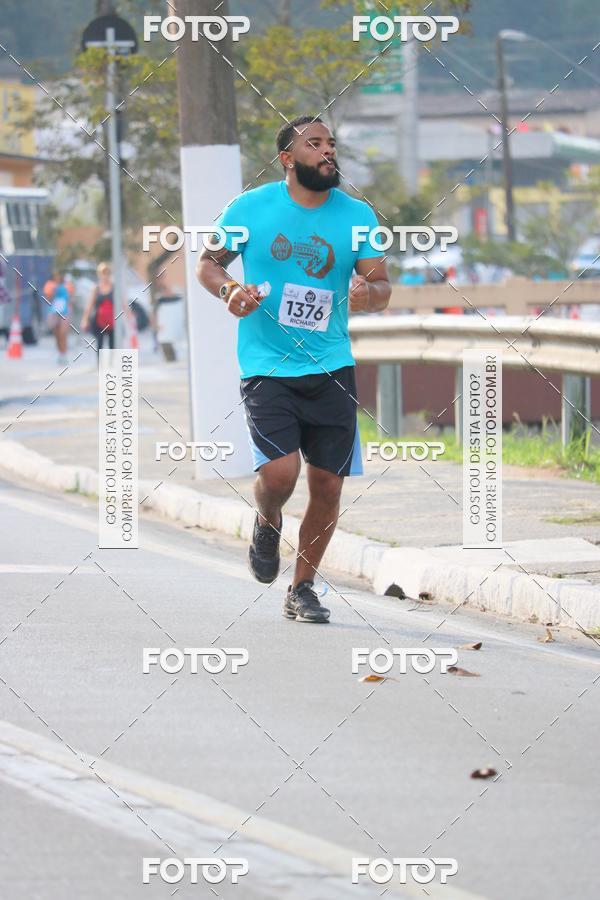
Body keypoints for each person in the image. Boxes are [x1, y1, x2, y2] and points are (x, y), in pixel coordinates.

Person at [197, 115, 391, 624]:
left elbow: (382, 287)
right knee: (280, 474)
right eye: (314, 144)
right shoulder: (250, 208)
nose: (328, 151)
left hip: (331, 365)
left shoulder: (357, 216)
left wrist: (368, 294)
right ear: (287, 158)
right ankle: (267, 518)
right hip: (266, 363)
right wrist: (229, 290)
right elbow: (207, 264)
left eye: (331, 143)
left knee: (327, 485)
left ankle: (303, 588)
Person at [81, 263, 115, 353]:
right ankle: (101, 365)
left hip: (112, 322)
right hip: (100, 322)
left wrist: (130, 318)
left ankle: (112, 365)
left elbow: (122, 303)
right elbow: (90, 305)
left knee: (113, 347)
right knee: (100, 346)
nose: (105, 276)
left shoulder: (114, 287)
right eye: (103, 273)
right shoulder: (96, 288)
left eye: (107, 273)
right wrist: (85, 319)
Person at [47, 272, 71, 365]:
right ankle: (60, 353)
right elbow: (48, 298)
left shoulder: (67, 286)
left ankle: (64, 353)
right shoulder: (51, 286)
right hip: (54, 310)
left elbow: (70, 298)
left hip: (64, 311)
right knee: (56, 333)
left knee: (62, 333)